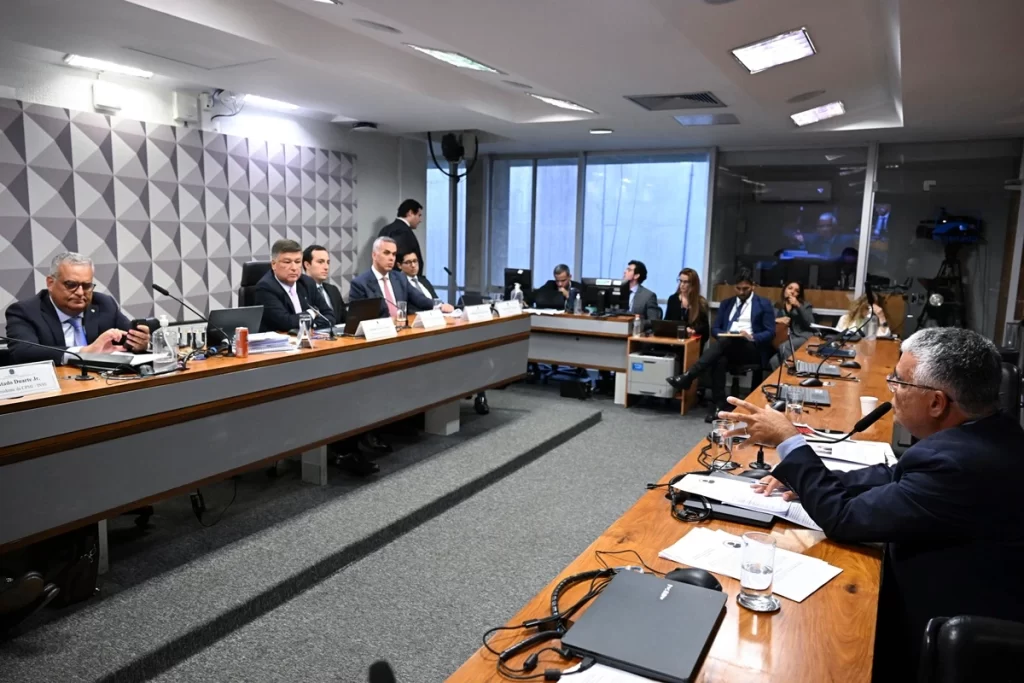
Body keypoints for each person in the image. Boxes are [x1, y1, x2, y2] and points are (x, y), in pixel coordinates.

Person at [720, 327, 1024, 682]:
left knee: (814, 634)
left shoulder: (957, 464)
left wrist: (790, 441)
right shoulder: (994, 432)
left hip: (938, 632)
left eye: (900, 381)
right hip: (961, 590)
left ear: (937, 403)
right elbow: (896, 475)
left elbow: (844, 519)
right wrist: (809, 479)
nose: (891, 389)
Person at [666, 269, 775, 421]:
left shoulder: (763, 304)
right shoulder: (726, 304)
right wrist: (725, 334)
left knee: (724, 344)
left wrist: (752, 336)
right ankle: (719, 405)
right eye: (738, 288)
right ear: (734, 287)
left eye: (745, 289)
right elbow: (715, 329)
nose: (741, 292)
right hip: (728, 346)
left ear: (753, 286)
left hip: (751, 347)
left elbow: (770, 332)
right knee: (719, 357)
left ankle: (689, 376)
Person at [4, 252, 150, 365]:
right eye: (71, 285)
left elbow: (129, 339)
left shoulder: (104, 304)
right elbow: (23, 353)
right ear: (50, 283)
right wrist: (83, 352)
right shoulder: (25, 312)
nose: (80, 292)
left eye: (86, 286)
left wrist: (140, 343)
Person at [349, 237, 454, 317]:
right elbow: (358, 318)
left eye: (394, 254)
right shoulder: (360, 284)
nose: (391, 258)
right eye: (386, 253)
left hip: (402, 330)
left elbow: (419, 298)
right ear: (374, 255)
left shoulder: (400, 278)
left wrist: (440, 306)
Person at [254, 240, 335, 332]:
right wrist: (312, 313)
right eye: (287, 262)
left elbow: (329, 316)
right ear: (273, 264)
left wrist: (313, 324)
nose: (294, 268)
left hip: (310, 338)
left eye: (297, 262)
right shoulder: (266, 287)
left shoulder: (307, 283)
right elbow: (286, 323)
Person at [302, 244, 347, 324]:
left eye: (328, 262)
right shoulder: (300, 292)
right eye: (320, 262)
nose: (326, 267)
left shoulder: (333, 290)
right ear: (307, 265)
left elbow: (344, 317)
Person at [665, 268, 710, 346]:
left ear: (693, 284)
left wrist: (694, 331)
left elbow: (705, 331)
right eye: (680, 281)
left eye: (685, 282)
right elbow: (667, 322)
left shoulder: (701, 303)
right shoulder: (673, 299)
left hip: (692, 343)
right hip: (674, 342)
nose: (682, 284)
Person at [378, 199, 424, 273]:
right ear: (410, 213)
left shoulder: (385, 229)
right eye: (419, 215)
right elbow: (401, 260)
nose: (420, 220)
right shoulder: (403, 231)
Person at [773, 280, 815, 359]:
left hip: (803, 336)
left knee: (784, 347)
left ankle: (793, 367)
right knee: (773, 361)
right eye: (790, 288)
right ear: (784, 289)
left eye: (796, 291)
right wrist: (776, 320)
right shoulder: (778, 305)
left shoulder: (805, 305)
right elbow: (767, 320)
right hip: (789, 336)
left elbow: (811, 323)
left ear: (799, 294)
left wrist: (798, 305)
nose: (792, 292)